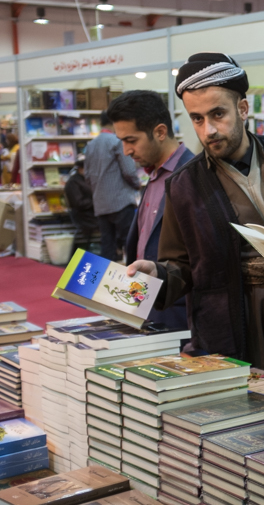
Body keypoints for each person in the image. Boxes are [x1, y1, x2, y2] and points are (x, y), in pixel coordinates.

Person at [127, 53, 264, 377]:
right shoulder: (183, 185)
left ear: (243, 108)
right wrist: (157, 271)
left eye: (218, 114)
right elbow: (181, 265)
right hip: (234, 320)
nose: (208, 130)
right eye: (197, 119)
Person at [107, 91, 195, 331]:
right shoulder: (155, 175)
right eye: (122, 141)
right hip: (147, 307)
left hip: (178, 312)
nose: (126, 150)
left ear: (160, 132)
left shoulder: (194, 177)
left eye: (131, 140)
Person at [84, 111, 141, 260]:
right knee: (129, 242)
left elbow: (87, 176)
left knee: (107, 243)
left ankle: (106, 274)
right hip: (120, 201)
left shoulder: (90, 145)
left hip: (100, 203)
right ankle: (131, 274)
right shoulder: (117, 141)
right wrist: (138, 184)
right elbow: (128, 171)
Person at [64, 156, 99, 250]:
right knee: (109, 223)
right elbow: (78, 203)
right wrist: (97, 201)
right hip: (84, 216)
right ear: (80, 169)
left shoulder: (87, 179)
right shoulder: (73, 182)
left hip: (92, 213)